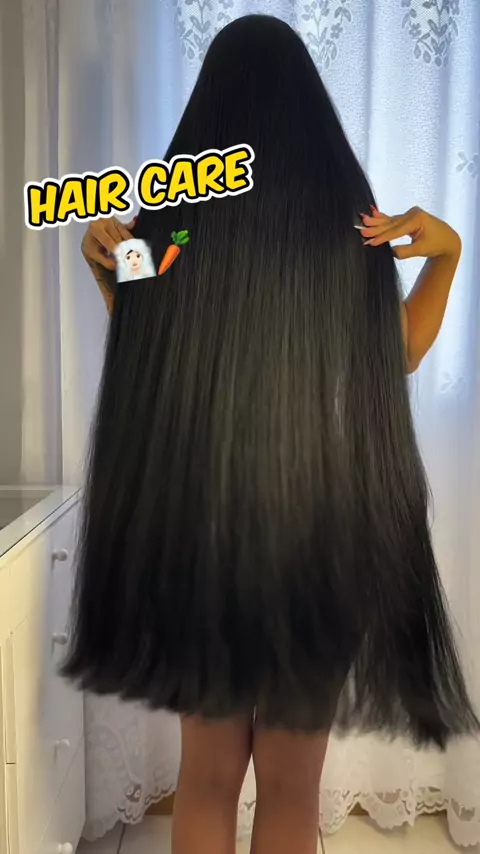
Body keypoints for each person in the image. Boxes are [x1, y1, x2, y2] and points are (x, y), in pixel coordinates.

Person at [65, 15, 478, 854]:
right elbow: (399, 352)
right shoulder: (345, 234)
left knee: (207, 781)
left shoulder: (179, 230)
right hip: (316, 538)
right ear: (309, 114)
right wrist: (447, 254)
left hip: (199, 538)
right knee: (292, 791)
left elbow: (146, 344)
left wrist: (97, 258)